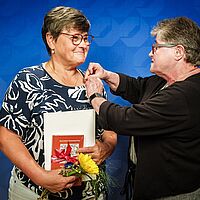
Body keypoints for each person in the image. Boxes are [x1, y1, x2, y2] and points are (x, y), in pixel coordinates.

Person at [0, 6, 117, 200]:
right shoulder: (28, 80)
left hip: (89, 194)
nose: (83, 44)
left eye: (86, 38)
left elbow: (109, 130)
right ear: (51, 40)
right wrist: (41, 177)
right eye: (75, 37)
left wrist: (107, 147)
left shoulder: (93, 84)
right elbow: (6, 136)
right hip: (35, 192)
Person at [84, 16, 200, 200]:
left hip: (172, 194)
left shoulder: (186, 95)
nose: (150, 53)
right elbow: (137, 87)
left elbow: (126, 119)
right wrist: (106, 75)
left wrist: (95, 96)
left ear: (178, 52)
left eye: (156, 47)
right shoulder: (166, 81)